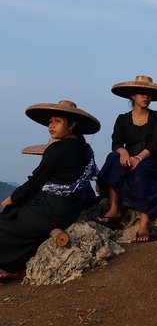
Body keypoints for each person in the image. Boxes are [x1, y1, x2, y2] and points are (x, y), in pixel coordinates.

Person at [0, 100, 100, 283]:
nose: (51, 126)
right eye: (50, 122)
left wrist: (12, 198)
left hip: (50, 209)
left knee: (6, 220)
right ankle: (17, 266)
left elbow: (37, 180)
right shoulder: (85, 149)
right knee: (19, 221)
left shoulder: (58, 148)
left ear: (72, 124)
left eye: (57, 121)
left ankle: (10, 266)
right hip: (68, 209)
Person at [97, 75, 157, 242]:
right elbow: (116, 141)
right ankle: (114, 208)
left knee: (142, 171)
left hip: (151, 159)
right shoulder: (122, 119)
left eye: (148, 94)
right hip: (129, 156)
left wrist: (139, 157)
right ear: (133, 96)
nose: (145, 97)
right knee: (112, 159)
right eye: (141, 93)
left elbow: (156, 143)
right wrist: (123, 153)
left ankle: (145, 222)